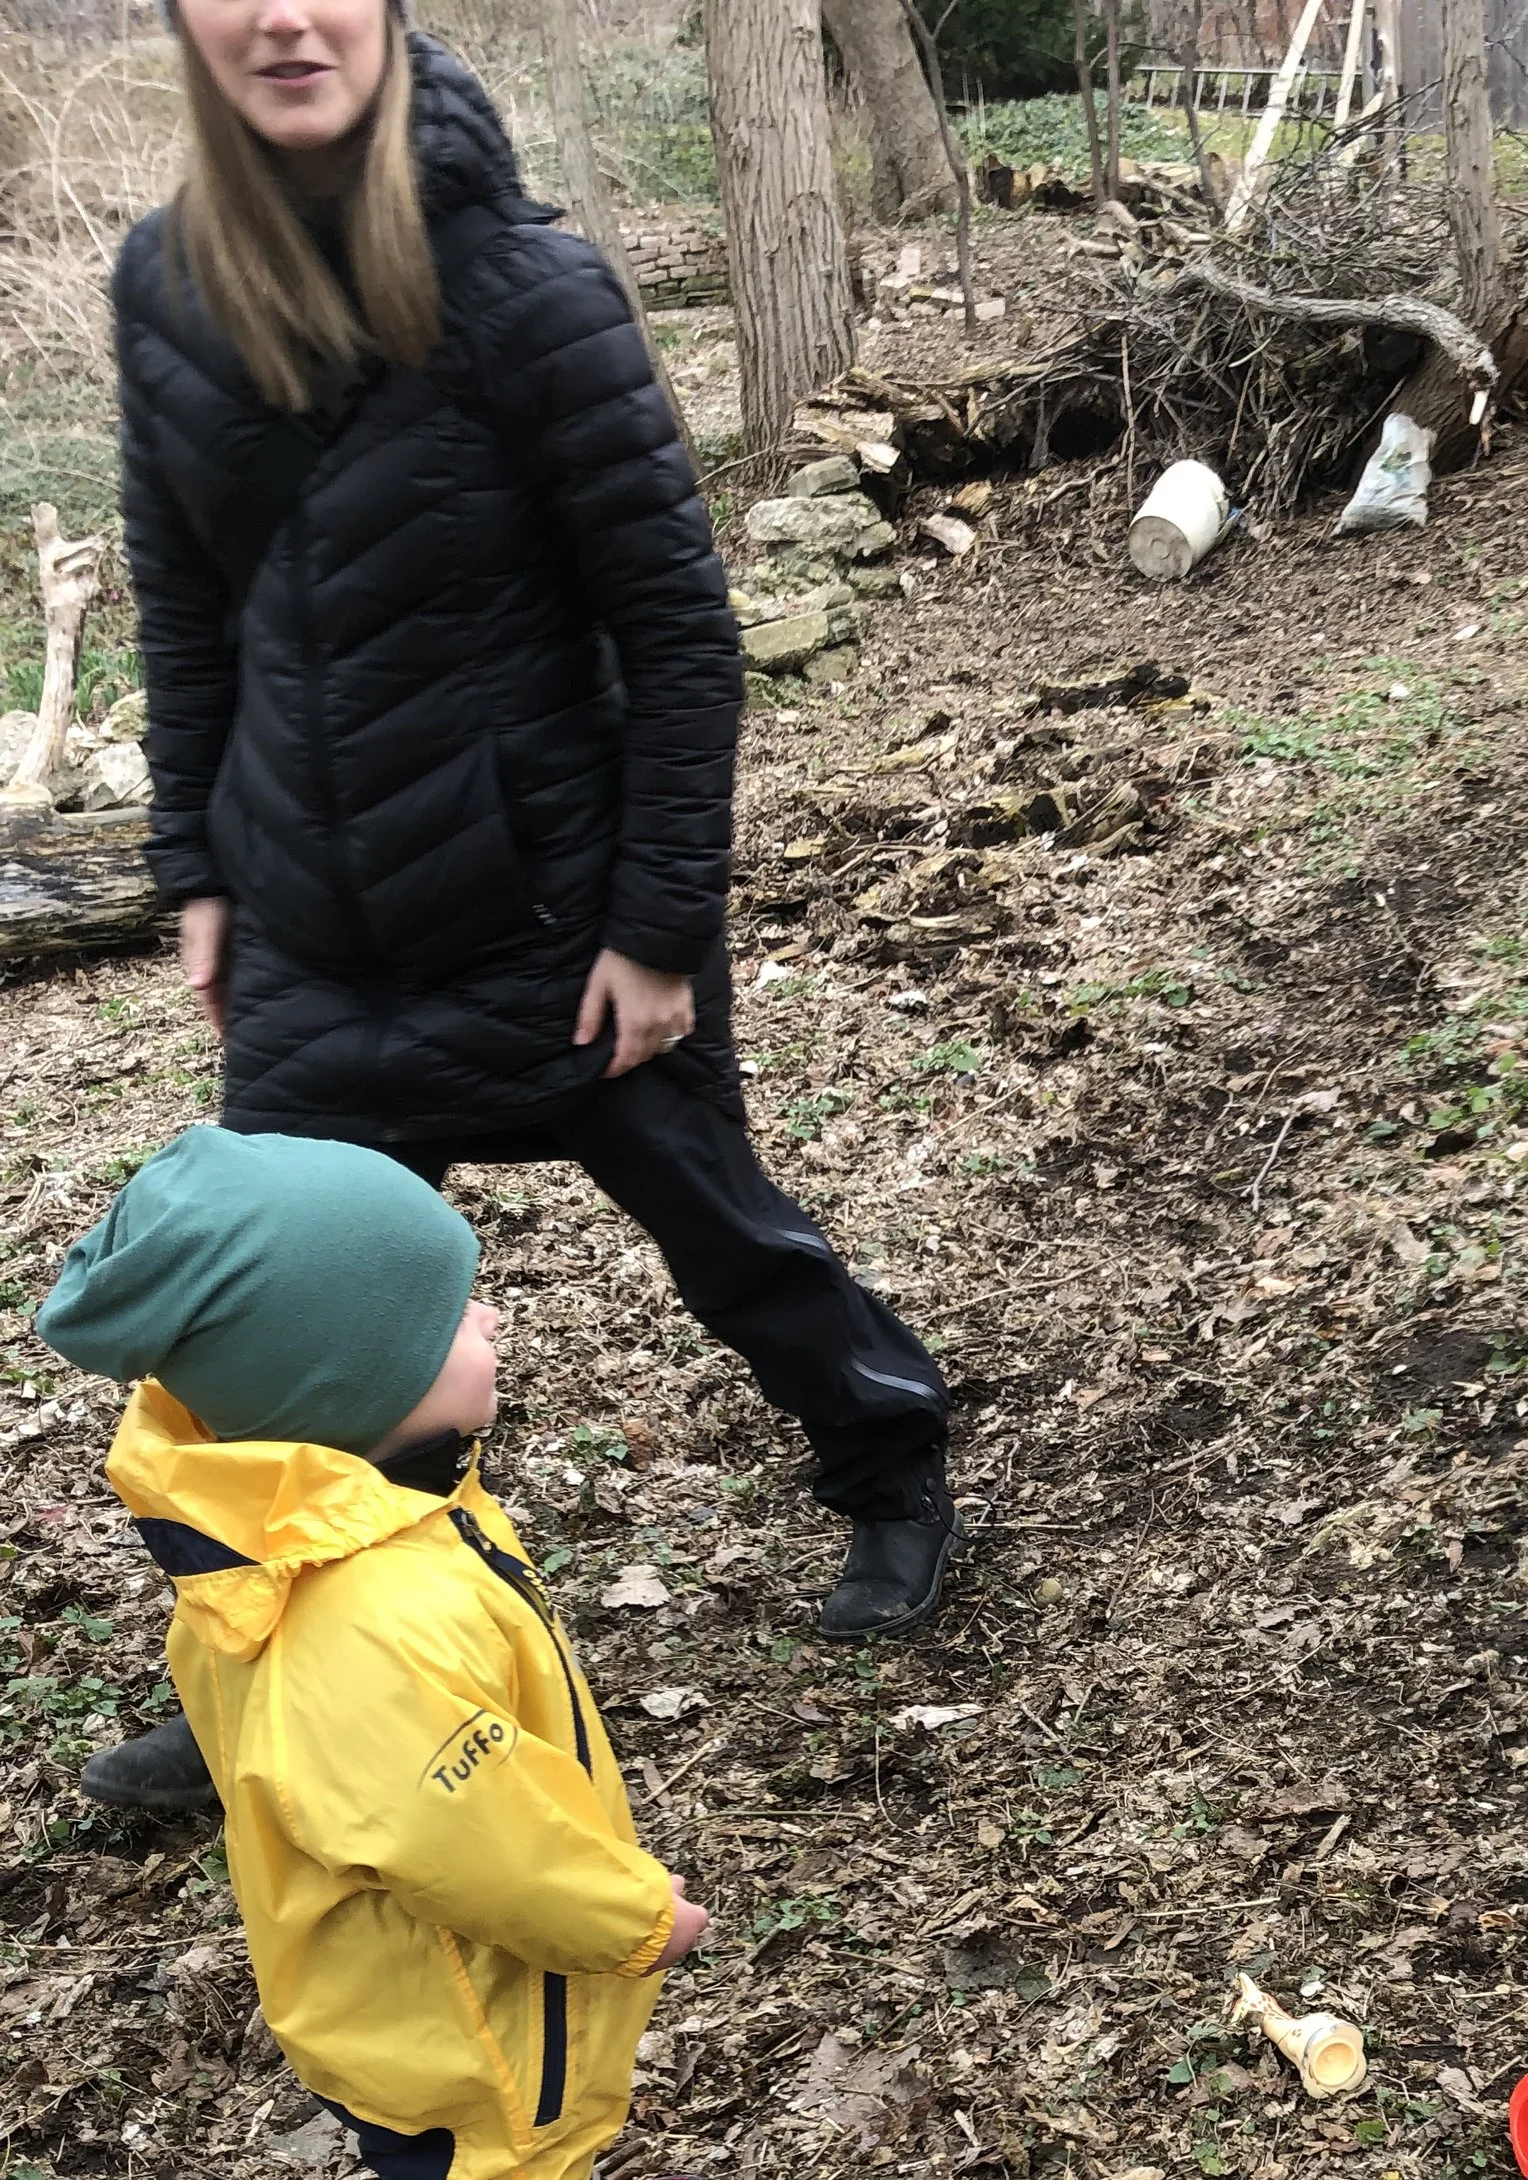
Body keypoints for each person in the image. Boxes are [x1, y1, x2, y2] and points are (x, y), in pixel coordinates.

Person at [91, 0, 954, 1822]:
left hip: (549, 912)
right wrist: (199, 869)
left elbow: (678, 628)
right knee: (272, 1328)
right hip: (314, 922)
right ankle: (274, 1667)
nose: (283, 17)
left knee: (724, 1233)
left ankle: (892, 1462)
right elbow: (185, 612)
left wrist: (657, 921)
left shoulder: (525, 287)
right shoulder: (167, 284)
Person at [37, 1126, 726, 2180]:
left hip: (473, 1967)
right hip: (439, 1993)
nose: (492, 1318)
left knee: (532, 2119)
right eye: (452, 1313)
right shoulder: (355, 1616)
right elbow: (467, 1839)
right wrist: (637, 1918)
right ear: (352, 1380)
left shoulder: (364, 1506)